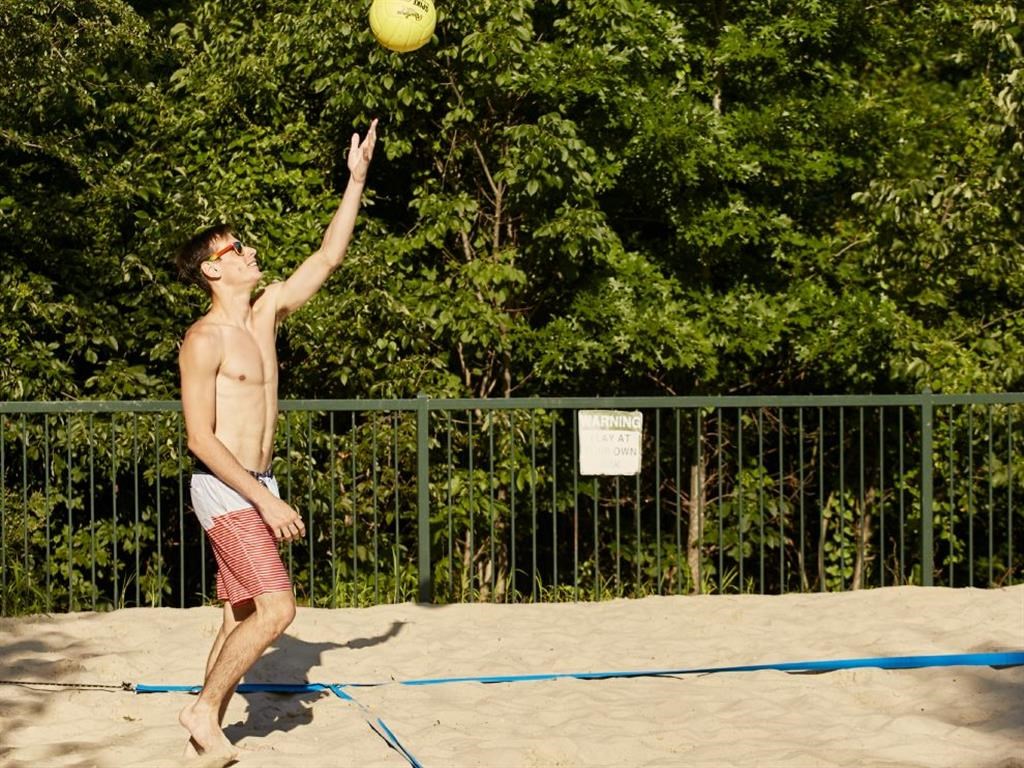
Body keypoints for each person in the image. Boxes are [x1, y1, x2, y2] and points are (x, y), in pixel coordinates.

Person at [174, 119, 377, 758]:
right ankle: (204, 711)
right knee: (278, 610)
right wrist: (264, 501)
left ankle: (202, 731)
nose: (248, 252)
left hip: (257, 483)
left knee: (239, 615)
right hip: (225, 486)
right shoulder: (203, 339)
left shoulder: (265, 315)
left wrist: (357, 178)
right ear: (212, 268)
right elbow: (201, 440)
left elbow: (328, 257)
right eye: (235, 249)